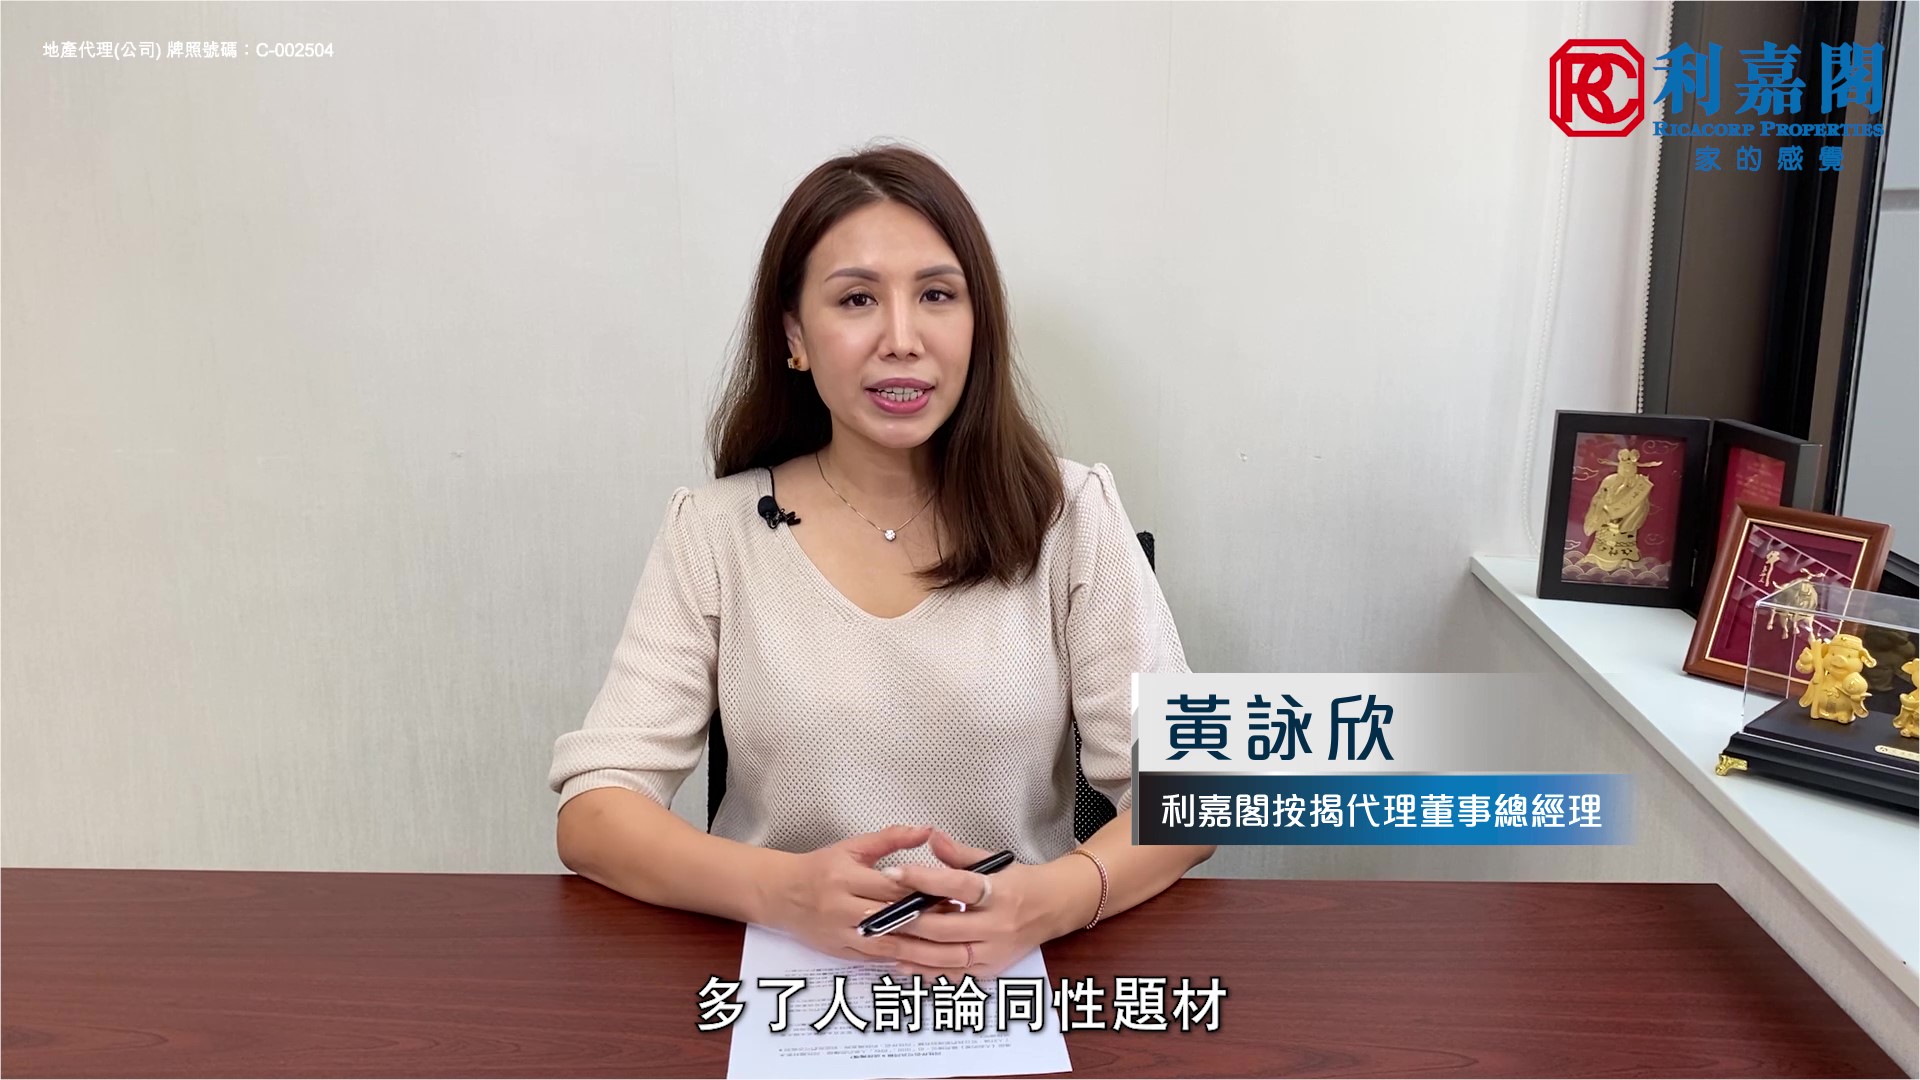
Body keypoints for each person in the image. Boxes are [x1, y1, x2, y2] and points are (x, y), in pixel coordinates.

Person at [548, 143, 1213, 981]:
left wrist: (1049, 900)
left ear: (977, 323)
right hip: (783, 973)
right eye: (857, 299)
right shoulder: (714, 532)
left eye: (937, 295)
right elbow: (595, 812)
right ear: (794, 335)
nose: (902, 340)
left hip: (1009, 969)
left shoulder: (1071, 514)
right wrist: (783, 891)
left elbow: (1192, 791)